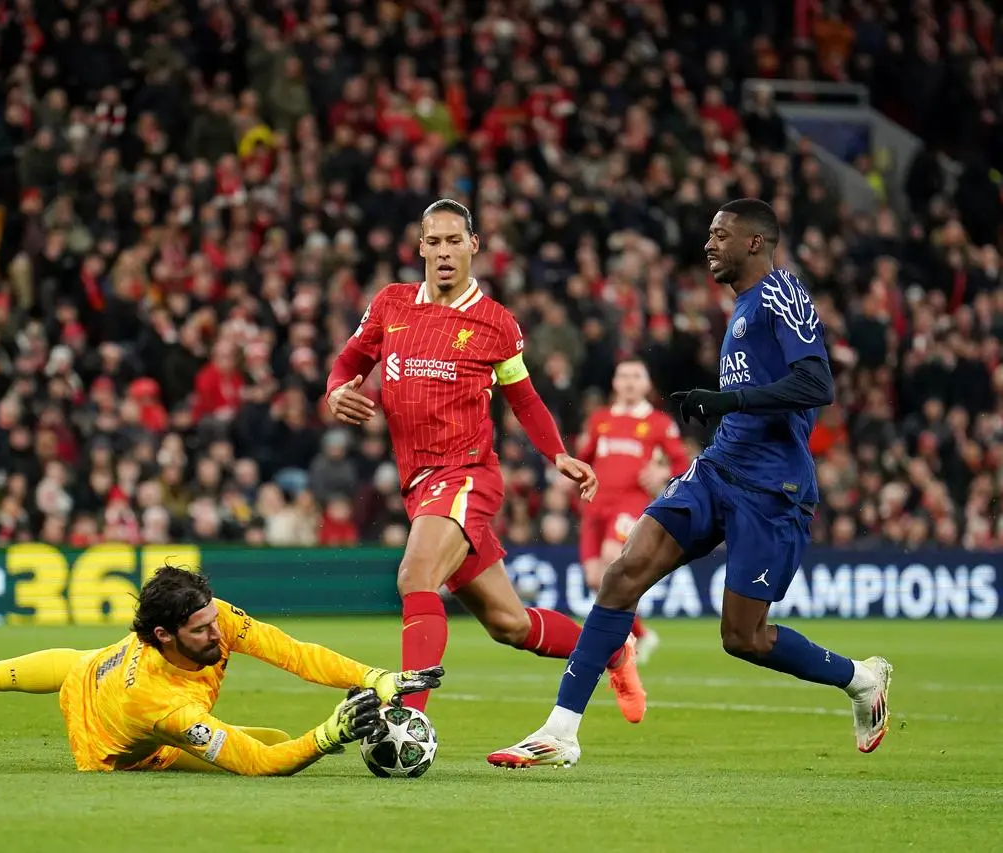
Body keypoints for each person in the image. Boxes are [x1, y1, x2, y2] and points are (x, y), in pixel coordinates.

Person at [487, 198, 892, 768]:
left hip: (773, 490)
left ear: (754, 242)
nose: (708, 244)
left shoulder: (783, 292)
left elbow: (816, 382)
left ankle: (860, 681)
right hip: (717, 471)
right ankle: (561, 731)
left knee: (743, 638)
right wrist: (728, 410)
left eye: (720, 234)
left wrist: (730, 400)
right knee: (623, 574)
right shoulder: (743, 307)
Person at [326, 199, 645, 723]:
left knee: (415, 575)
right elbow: (347, 363)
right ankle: (613, 650)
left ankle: (408, 717)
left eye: (455, 241)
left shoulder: (495, 323)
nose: (445, 252)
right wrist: (336, 390)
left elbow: (523, 397)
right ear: (420, 247)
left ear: (474, 245)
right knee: (509, 623)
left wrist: (558, 453)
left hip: (466, 474)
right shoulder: (390, 305)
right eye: (435, 241)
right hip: (419, 485)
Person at [0, 567, 444, 776]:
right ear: (165, 635)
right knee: (277, 748)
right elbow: (256, 762)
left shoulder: (213, 619)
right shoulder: (161, 704)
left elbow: (293, 652)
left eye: (215, 619)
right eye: (202, 630)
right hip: (112, 745)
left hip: (102, 669)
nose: (218, 633)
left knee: (80, 664)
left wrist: (376, 677)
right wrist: (331, 734)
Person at [574, 357, 691, 663]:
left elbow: (681, 463)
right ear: (614, 382)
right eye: (623, 375)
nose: (628, 382)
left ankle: (617, 638)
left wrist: (662, 474)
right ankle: (639, 634)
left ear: (647, 384)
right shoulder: (599, 419)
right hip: (596, 504)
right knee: (594, 578)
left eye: (636, 376)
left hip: (631, 502)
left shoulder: (658, 423)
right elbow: (584, 457)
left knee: (613, 558)